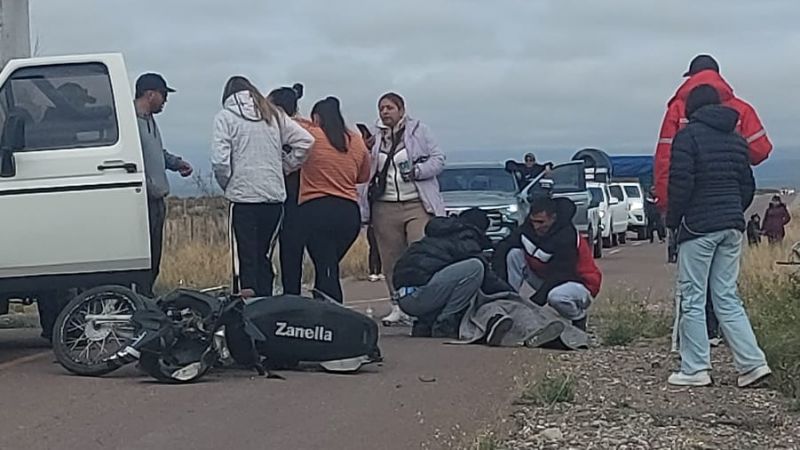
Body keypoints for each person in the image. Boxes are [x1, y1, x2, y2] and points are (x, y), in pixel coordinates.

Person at [665, 84, 771, 387]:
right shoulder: (736, 139)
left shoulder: (687, 137)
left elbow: (681, 183)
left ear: (692, 109)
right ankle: (752, 363)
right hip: (731, 226)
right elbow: (747, 186)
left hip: (698, 227)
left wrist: (673, 221)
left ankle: (695, 368)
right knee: (726, 296)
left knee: (692, 297)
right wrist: (732, 210)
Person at [211, 76, 314, 297]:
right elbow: (306, 141)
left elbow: (220, 162)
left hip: (243, 198)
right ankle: (266, 301)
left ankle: (247, 303)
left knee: (245, 256)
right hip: (273, 196)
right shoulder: (273, 115)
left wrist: (228, 183)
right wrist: (285, 166)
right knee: (263, 254)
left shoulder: (225, 117)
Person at [364, 92, 446, 325]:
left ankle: (422, 303)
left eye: (389, 107)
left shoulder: (419, 131)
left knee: (419, 253)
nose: (385, 112)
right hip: (384, 205)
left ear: (401, 110)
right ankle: (397, 305)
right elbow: (364, 167)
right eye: (381, 108)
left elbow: (439, 159)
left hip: (416, 203)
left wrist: (418, 171)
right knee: (390, 259)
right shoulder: (374, 136)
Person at [653, 54, 772, 213]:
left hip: (692, 205)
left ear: (691, 76)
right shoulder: (741, 109)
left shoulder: (676, 109)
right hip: (731, 202)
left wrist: (665, 204)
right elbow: (761, 151)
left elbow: (665, 161)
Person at [392, 208, 514, 339]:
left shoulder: (443, 233)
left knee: (455, 281)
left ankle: (426, 323)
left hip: (405, 297)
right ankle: (446, 322)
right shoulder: (464, 237)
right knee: (475, 268)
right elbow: (488, 279)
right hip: (418, 296)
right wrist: (511, 294)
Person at [297, 97, 370, 303]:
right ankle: (323, 305)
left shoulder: (311, 135)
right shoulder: (356, 141)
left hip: (317, 209)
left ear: (316, 118)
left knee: (326, 268)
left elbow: (289, 124)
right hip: (349, 213)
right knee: (328, 265)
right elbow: (363, 176)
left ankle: (332, 309)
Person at [494, 197, 602, 331]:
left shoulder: (567, 236)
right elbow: (503, 247)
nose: (536, 226)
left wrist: (534, 303)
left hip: (580, 283)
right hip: (547, 278)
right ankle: (508, 303)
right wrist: (499, 285)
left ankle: (578, 318)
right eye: (533, 221)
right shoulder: (528, 229)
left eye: (541, 222)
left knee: (556, 297)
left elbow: (562, 274)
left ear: (553, 218)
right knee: (514, 254)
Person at [134, 73, 194, 297]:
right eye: (163, 94)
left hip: (157, 199)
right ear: (150, 94)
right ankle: (141, 299)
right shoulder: (129, 121)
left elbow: (157, 152)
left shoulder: (150, 120)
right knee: (144, 257)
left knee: (155, 256)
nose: (165, 100)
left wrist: (176, 163)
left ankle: (147, 296)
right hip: (143, 200)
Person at [269, 83, 307, 295]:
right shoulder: (306, 126)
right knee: (293, 249)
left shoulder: (283, 129)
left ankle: (281, 293)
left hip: (286, 193)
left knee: (273, 248)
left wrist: (285, 166)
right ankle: (292, 293)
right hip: (299, 195)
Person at [356, 123, 384, 283]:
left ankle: (378, 270)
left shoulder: (377, 156)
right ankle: (374, 270)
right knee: (373, 240)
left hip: (378, 203)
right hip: (368, 205)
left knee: (380, 240)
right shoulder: (363, 156)